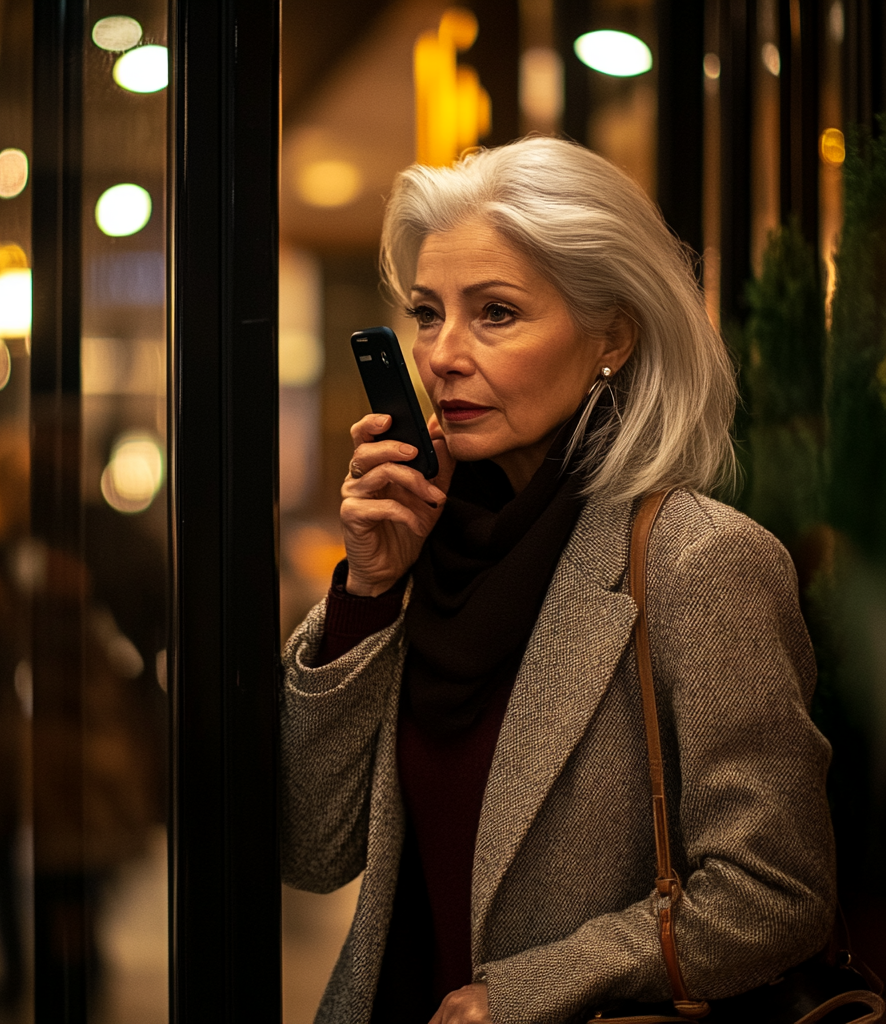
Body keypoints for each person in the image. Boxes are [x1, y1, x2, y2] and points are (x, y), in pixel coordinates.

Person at [279, 137, 835, 1024]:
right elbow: (310, 851)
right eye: (428, 313)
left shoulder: (700, 559)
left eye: (495, 313)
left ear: (611, 334)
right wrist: (370, 592)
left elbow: (775, 893)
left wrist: (524, 994)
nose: (442, 354)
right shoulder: (426, 547)